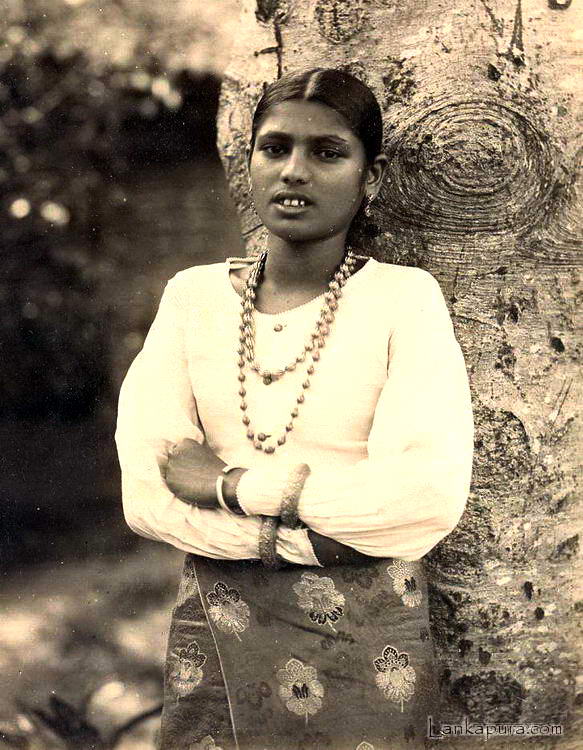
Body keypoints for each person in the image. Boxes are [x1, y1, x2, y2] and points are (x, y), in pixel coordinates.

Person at [115, 67, 474, 750]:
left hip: (365, 638)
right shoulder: (193, 299)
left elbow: (421, 498)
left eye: (327, 152)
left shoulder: (402, 300)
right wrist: (314, 534)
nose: (294, 172)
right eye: (274, 149)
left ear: (369, 177)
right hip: (217, 625)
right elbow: (149, 492)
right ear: (248, 163)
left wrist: (232, 487)